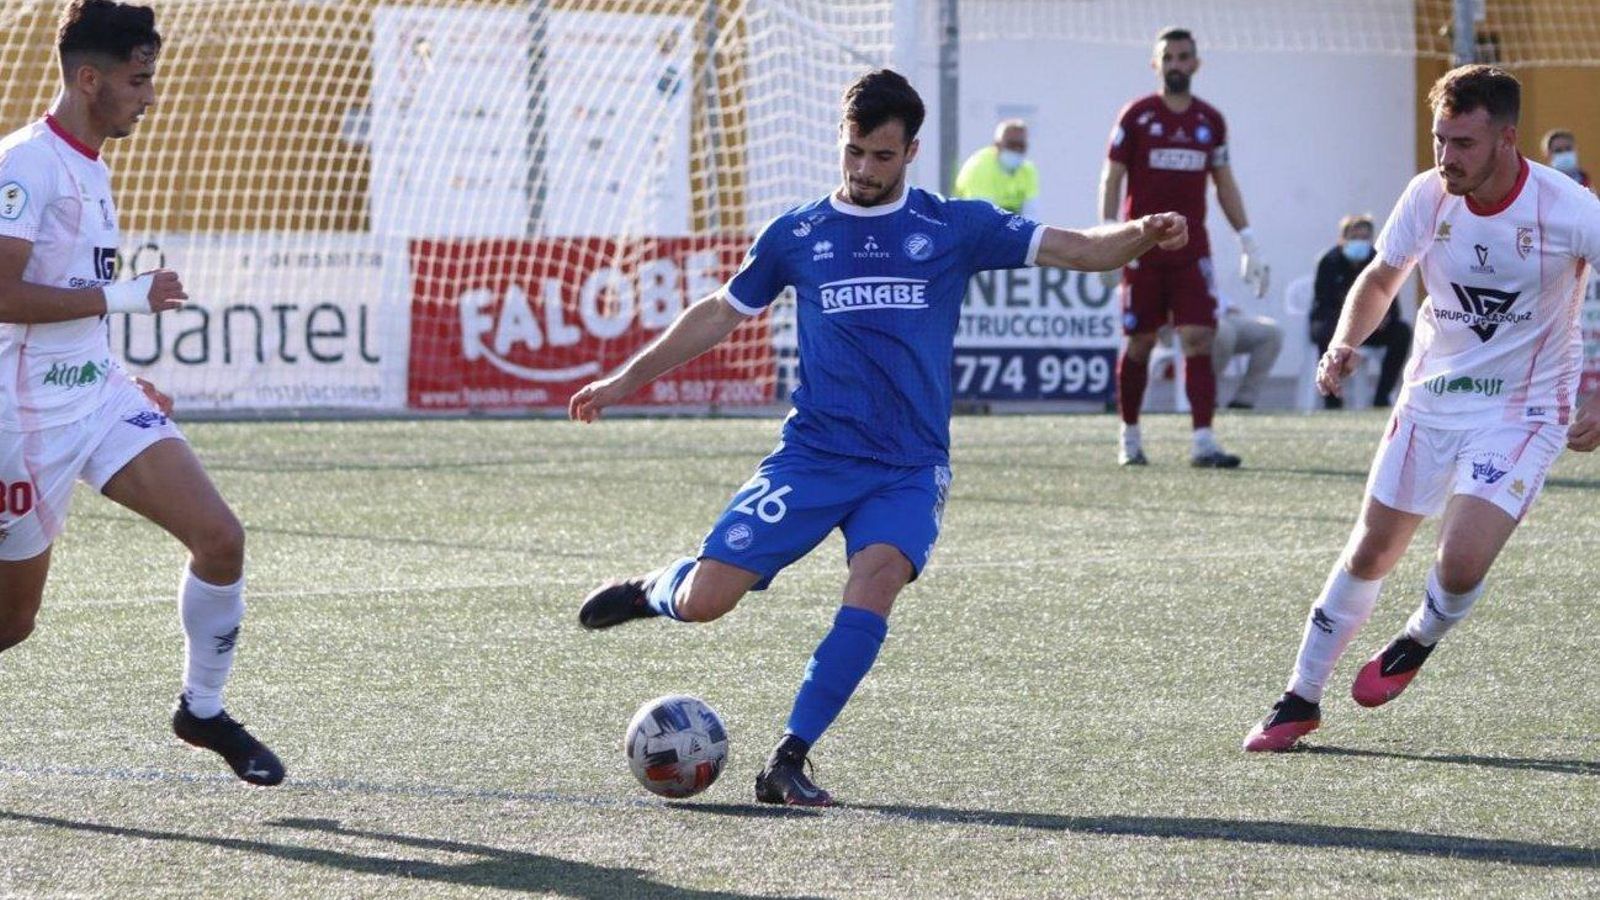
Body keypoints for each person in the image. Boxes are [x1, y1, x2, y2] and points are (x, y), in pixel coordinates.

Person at [570, 69, 1187, 806]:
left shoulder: (955, 227)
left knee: (879, 578)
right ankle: (654, 589)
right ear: (843, 139)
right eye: (854, 152)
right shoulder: (798, 234)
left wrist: (1141, 235)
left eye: (882, 157)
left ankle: (790, 759)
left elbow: (1084, 249)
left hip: (907, 465)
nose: (864, 170)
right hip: (814, 455)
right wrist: (623, 382)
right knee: (707, 602)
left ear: (912, 151)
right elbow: (718, 313)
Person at [1244, 65, 1600, 753]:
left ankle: (1419, 636)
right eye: (1439, 140)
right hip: (1431, 397)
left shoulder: (1568, 208)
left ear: (1506, 137)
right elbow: (1381, 277)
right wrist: (1345, 342)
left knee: (1460, 561)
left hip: (1525, 409)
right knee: (1371, 550)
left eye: (1462, 143)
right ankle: (1299, 698)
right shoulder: (1428, 195)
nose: (1446, 158)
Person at [0, 0, 282, 786]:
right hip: (19, 424)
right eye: (138, 77)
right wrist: (128, 298)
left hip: (93, 397)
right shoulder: (24, 164)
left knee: (221, 539)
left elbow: (66, 296)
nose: (150, 94)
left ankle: (202, 708)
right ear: (89, 79)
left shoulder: (91, 162)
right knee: (11, 624)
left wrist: (115, 368)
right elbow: (1, 295)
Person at [1100, 26, 1266, 467]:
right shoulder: (1136, 116)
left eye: (1183, 56)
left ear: (1195, 63)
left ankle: (1203, 441)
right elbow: (1112, 176)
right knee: (1140, 343)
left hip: (1191, 251)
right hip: (1141, 248)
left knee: (1199, 338)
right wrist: (1106, 236)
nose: (1175, 63)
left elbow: (1224, 182)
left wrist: (1247, 238)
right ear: (1157, 64)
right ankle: (1130, 438)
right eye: (1168, 57)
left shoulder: (1210, 121)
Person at [1310, 215, 1411, 409]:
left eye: (1365, 238)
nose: (1360, 243)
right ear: (1343, 239)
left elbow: (1391, 302)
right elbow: (1323, 304)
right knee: (1326, 330)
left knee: (1402, 332)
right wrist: (1350, 325)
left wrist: (1382, 318)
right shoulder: (1329, 262)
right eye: (1355, 237)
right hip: (1335, 327)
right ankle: (1332, 400)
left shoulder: (1378, 261)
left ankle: (1382, 397)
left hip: (1371, 328)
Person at [953, 119, 1039, 217]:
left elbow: (1031, 214)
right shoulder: (980, 168)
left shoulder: (1028, 170)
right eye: (1011, 145)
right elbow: (983, 217)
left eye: (1021, 146)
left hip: (1004, 225)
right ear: (997, 145)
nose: (1017, 150)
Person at [1212, 293, 1282, 410]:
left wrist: (1226, 304)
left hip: (1219, 313)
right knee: (1223, 333)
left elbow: (1210, 288)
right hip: (1189, 317)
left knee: (1272, 333)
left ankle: (1243, 402)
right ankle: (1206, 397)